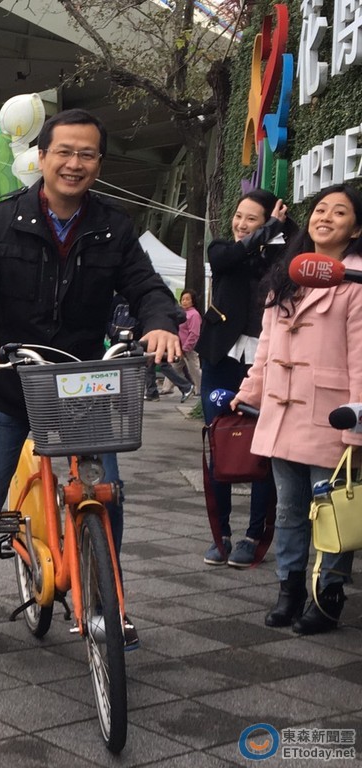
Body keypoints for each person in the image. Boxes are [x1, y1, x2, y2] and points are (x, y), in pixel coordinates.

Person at [0, 109, 183, 650]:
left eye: (87, 154)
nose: (74, 163)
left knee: (106, 495)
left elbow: (148, 288)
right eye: (63, 151)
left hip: (83, 386)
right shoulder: (1, 220)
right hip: (10, 381)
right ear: (41, 157)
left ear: (99, 164)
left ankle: (107, 603)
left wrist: (160, 324)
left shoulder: (114, 226)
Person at [233, 184, 362, 634]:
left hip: (331, 416)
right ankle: (288, 590)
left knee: (332, 511)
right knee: (288, 510)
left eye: (339, 212)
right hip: (282, 413)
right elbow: (267, 348)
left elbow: (361, 358)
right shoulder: (288, 274)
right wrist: (250, 392)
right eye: (320, 209)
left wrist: (357, 424)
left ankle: (328, 595)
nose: (325, 217)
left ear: (356, 229)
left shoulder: (356, 282)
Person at [197, 189, 294, 568]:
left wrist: (277, 231)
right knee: (219, 443)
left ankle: (254, 536)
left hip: (266, 363)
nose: (240, 224)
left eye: (251, 218)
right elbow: (230, 257)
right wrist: (265, 230)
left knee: (263, 450)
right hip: (220, 359)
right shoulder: (223, 250)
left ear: (271, 220)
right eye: (238, 216)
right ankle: (219, 534)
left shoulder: (284, 256)